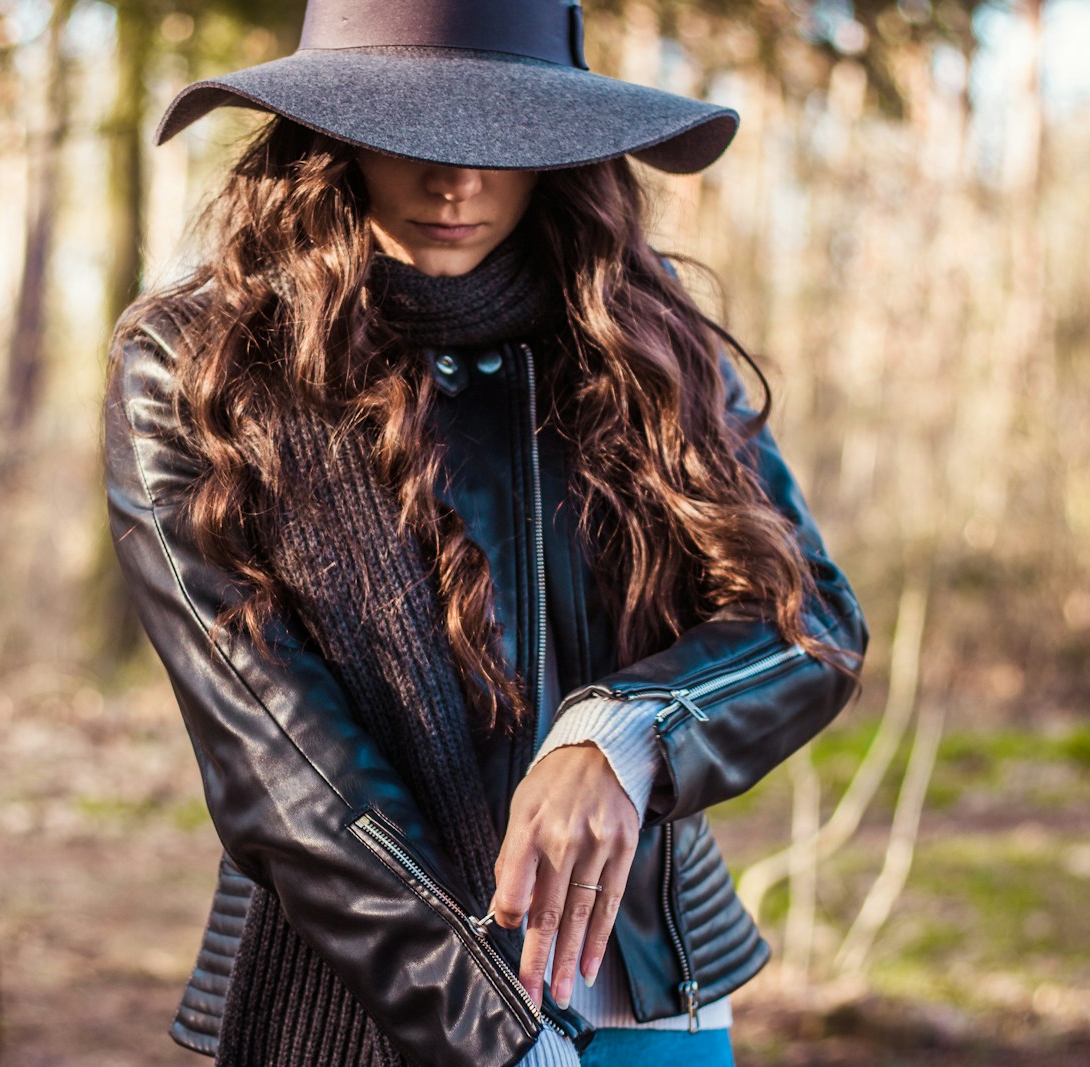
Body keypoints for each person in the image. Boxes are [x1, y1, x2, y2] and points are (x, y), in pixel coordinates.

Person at [101, 2, 868, 1065]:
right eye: (411, 131)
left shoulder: (644, 340)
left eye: (500, 135)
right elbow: (271, 753)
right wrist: (500, 1037)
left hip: (642, 996)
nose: (454, 181)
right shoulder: (194, 367)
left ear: (560, 146)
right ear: (328, 134)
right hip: (354, 996)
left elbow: (808, 622)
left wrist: (629, 730)